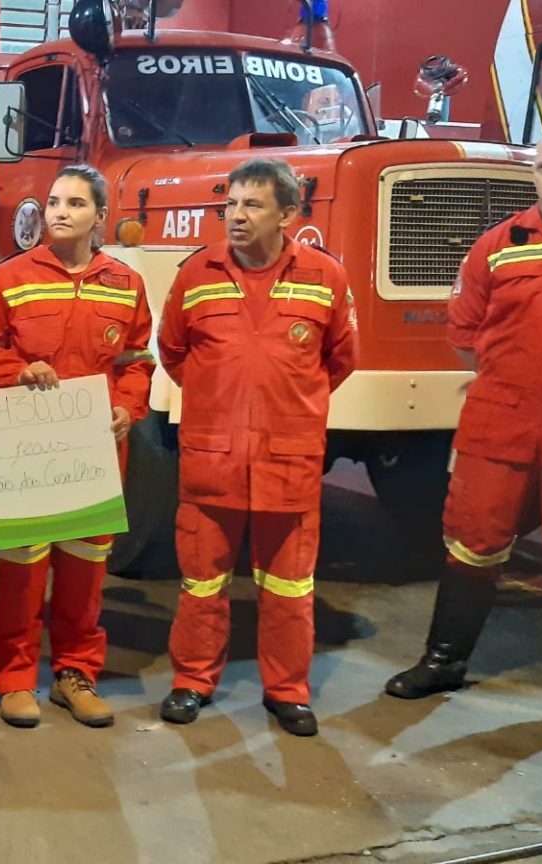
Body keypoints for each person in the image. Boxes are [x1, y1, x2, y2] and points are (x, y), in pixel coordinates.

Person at [385, 124, 542, 739]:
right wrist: (514, 383)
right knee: (471, 541)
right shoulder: (498, 245)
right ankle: (442, 662)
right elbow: (464, 333)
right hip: (500, 421)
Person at [156, 157, 357, 737]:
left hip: (288, 461)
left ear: (288, 214)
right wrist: (218, 401)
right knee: (201, 582)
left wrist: (288, 404)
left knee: (289, 587)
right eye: (232, 204)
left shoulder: (325, 277)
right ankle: (192, 681)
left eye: (252, 205)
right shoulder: (196, 274)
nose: (236, 216)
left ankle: (287, 691)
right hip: (212, 458)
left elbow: (340, 359)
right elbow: (173, 352)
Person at [0, 165, 155, 729]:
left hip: (96, 451)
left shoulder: (125, 284)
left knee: (84, 570)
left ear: (101, 216)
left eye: (75, 203)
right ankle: (15, 679)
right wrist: (19, 371)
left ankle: (75, 674)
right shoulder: (11, 277)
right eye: (53, 202)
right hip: (27, 450)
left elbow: (137, 359)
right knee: (22, 570)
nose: (60, 212)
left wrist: (128, 407)